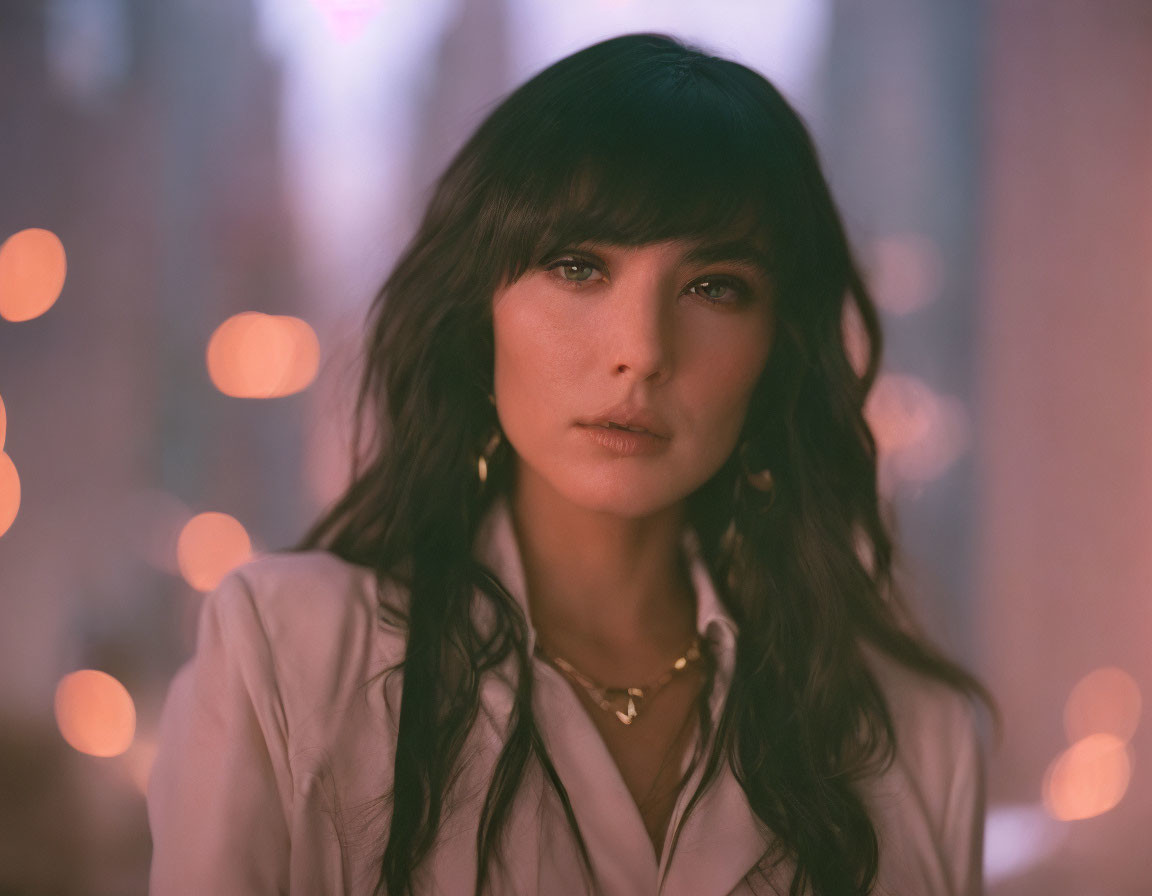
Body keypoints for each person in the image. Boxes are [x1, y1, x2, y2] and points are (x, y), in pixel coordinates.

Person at [147, 31, 994, 896]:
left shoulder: (914, 738)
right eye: (579, 266)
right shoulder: (287, 655)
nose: (641, 351)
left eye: (715, 286)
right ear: (479, 313)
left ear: (778, 349)